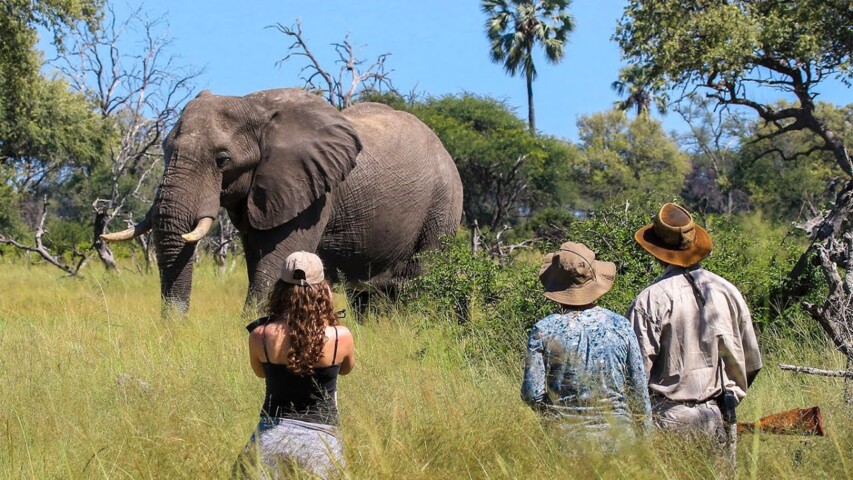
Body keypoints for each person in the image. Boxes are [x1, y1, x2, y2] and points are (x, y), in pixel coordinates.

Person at [627, 203, 762, 462]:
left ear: (657, 252)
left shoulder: (649, 300)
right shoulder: (727, 291)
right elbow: (752, 362)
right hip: (718, 418)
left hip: (668, 420)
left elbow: (635, 375)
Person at [236, 251, 355, 479]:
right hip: (322, 443)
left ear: (280, 289)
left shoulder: (260, 335)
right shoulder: (341, 337)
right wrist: (328, 317)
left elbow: (260, 373)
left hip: (269, 439)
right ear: (324, 289)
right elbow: (347, 368)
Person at [521, 241, 651, 450]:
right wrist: (645, 439)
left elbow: (532, 394)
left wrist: (557, 416)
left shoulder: (543, 329)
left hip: (566, 443)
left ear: (556, 284)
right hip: (620, 440)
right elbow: (639, 389)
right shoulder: (620, 325)